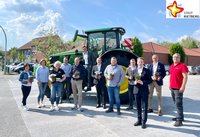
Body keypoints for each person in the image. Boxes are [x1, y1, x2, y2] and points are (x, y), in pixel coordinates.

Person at [169, 53, 188, 127]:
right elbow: (171, 76)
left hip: (178, 88)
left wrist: (183, 87)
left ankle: (179, 120)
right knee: (176, 103)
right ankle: (180, 116)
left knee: (178, 104)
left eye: (177, 57)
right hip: (172, 88)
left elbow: (185, 77)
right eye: (174, 57)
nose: (175, 58)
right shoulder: (171, 66)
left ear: (180, 58)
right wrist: (170, 85)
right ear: (172, 58)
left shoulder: (182, 66)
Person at [134, 57, 151, 129]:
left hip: (144, 90)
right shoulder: (134, 70)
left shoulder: (146, 70)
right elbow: (130, 79)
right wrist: (134, 82)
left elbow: (150, 80)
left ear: (143, 63)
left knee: (144, 107)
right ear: (137, 63)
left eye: (141, 62)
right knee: (138, 107)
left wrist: (142, 82)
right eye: (139, 62)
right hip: (136, 90)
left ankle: (144, 122)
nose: (140, 63)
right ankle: (139, 120)